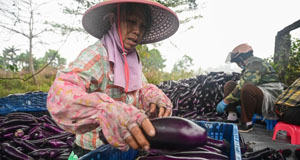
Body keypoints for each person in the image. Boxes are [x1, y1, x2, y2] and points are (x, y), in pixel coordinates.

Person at [46, 0, 179, 158]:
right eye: (131, 21)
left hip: (125, 152)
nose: (137, 30)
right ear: (113, 20)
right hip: (92, 152)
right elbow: (60, 93)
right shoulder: (97, 55)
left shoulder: (131, 60)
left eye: (142, 26)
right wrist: (105, 109)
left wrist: (153, 96)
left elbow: (141, 89)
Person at [216, 43, 285, 132]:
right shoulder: (249, 65)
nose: (237, 64)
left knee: (247, 88)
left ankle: (247, 123)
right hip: (259, 95)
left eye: (237, 61)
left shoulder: (256, 64)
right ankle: (232, 116)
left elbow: (244, 85)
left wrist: (225, 101)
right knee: (230, 85)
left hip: (269, 101)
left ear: (241, 58)